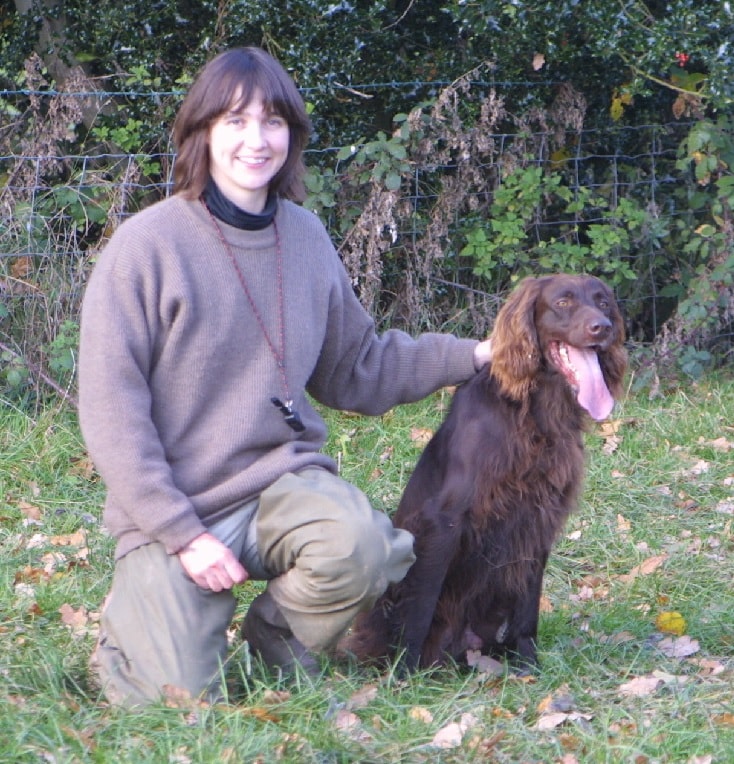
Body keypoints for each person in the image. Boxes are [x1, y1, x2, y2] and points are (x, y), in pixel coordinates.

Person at [78, 46, 492, 707]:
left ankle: (273, 645)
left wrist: (473, 354)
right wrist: (183, 535)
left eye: (272, 122)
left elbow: (358, 367)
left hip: (278, 485)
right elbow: (111, 414)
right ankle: (132, 637)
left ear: (291, 136)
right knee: (171, 700)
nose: (255, 140)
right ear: (202, 132)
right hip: (176, 505)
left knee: (366, 549)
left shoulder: (305, 238)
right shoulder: (146, 247)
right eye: (235, 121)